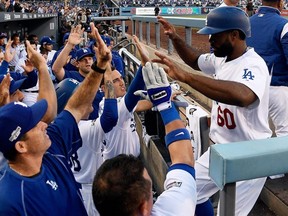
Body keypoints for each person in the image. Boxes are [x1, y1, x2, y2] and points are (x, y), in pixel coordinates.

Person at [156, 7, 272, 215]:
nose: (210, 40)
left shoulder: (254, 65)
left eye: (215, 35)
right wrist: (175, 38)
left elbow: (243, 95)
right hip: (219, 151)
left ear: (234, 35)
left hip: (249, 154)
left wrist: (187, 78)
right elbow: (195, 60)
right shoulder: (221, 58)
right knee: (187, 191)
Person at [0, 22, 110, 215]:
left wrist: (99, 67)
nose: (43, 124)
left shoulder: (51, 146)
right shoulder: (10, 202)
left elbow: (75, 107)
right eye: (34, 124)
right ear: (21, 146)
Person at [92, 61, 197, 216]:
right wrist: (164, 103)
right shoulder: (116, 108)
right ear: (144, 208)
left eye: (121, 78)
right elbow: (184, 160)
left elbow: (137, 105)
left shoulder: (109, 106)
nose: (121, 82)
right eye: (115, 80)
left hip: (115, 169)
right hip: (119, 170)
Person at [246, 0, 288, 179]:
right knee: (283, 131)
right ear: (280, 3)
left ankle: (259, 171)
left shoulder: (247, 22)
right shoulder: (283, 25)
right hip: (278, 85)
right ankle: (277, 174)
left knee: (257, 130)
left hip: (251, 88)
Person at [52, 25, 104, 119]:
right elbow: (56, 69)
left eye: (90, 59)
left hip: (98, 124)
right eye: (84, 60)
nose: (88, 61)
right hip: (80, 124)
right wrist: (70, 45)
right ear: (77, 64)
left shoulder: (99, 77)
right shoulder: (72, 77)